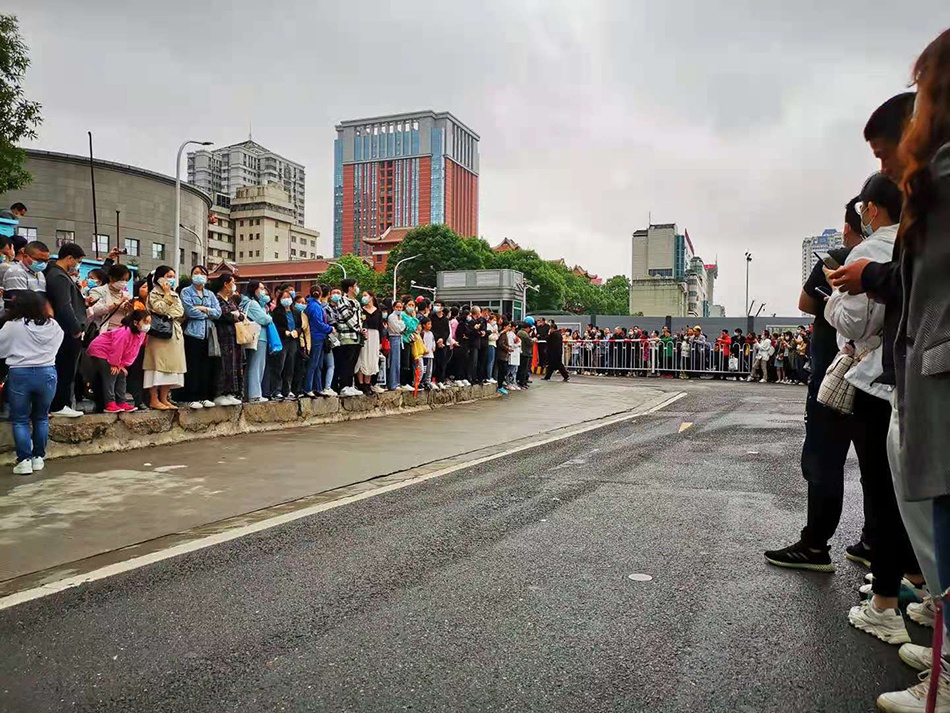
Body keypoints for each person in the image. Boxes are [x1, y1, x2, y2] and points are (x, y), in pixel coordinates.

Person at [874, 32, 950, 712]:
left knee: (940, 515)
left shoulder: (942, 182)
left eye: (923, 93)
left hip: (939, 374)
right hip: (925, 371)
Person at [0, 291, 63, 475]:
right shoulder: (53, 325)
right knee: (41, 417)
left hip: (20, 373)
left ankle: (24, 460)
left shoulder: (13, 325)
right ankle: (38, 458)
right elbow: (58, 345)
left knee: (20, 419)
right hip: (47, 372)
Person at [43, 243, 87, 419]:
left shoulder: (58, 274)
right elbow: (64, 306)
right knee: (65, 369)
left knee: (67, 369)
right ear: (69, 258)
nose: (77, 265)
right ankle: (59, 404)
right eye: (78, 261)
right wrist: (75, 328)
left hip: (66, 330)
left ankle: (61, 404)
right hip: (66, 331)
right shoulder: (58, 276)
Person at [86, 309, 149, 413]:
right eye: (145, 322)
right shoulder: (124, 332)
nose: (148, 325)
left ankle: (121, 401)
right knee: (110, 373)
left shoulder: (141, 334)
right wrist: (114, 364)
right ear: (135, 322)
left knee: (121, 374)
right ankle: (109, 402)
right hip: (99, 351)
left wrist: (122, 365)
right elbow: (117, 348)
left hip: (112, 355)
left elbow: (133, 352)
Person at [177, 266, 221, 409]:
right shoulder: (186, 291)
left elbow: (218, 312)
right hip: (192, 333)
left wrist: (204, 309)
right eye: (196, 273)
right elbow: (189, 311)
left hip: (208, 334)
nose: (199, 276)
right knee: (192, 366)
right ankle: (189, 397)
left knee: (205, 366)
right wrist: (207, 314)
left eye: (202, 273)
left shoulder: (210, 294)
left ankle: (203, 396)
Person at [144, 266, 186, 411]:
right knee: (157, 366)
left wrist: (169, 308)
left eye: (173, 276)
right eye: (168, 276)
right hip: (159, 334)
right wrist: (167, 296)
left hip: (174, 333)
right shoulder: (153, 294)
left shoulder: (175, 294)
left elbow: (180, 311)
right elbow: (159, 308)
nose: (171, 279)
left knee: (171, 367)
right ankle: (154, 399)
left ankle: (164, 397)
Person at [209, 275, 245, 407]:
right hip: (221, 335)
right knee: (223, 364)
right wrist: (234, 315)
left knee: (234, 364)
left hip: (233, 336)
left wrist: (235, 315)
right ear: (225, 284)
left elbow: (240, 315)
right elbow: (225, 316)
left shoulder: (230, 300)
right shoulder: (217, 298)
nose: (234, 284)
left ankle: (231, 392)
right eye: (232, 282)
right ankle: (220, 393)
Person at [240, 281, 272, 403]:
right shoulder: (252, 303)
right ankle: (255, 394)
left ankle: (250, 393)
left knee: (252, 365)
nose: (263, 291)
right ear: (255, 289)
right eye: (261, 288)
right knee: (257, 365)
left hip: (253, 336)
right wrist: (269, 317)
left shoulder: (248, 302)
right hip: (259, 336)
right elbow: (263, 319)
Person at [332, 278, 363, 397]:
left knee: (353, 362)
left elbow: (359, 318)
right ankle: (344, 386)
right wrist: (359, 328)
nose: (357, 288)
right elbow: (347, 317)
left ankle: (350, 385)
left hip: (357, 337)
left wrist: (361, 329)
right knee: (346, 362)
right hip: (346, 336)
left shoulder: (356, 302)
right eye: (355, 286)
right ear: (350, 288)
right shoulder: (342, 301)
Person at [267, 287, 300, 401]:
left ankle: (288, 390)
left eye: (288, 297)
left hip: (293, 341)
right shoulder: (277, 312)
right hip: (282, 341)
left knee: (290, 366)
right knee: (279, 365)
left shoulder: (296, 312)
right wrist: (284, 332)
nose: (287, 299)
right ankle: (276, 390)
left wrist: (297, 331)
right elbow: (275, 326)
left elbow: (300, 326)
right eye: (284, 297)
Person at [303, 286, 333, 397]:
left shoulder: (313, 305)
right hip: (316, 337)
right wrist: (329, 329)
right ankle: (308, 388)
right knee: (313, 363)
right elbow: (318, 323)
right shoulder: (315, 306)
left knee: (318, 364)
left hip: (319, 337)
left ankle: (317, 387)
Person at [88, 263, 133, 334]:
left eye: (126, 280)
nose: (123, 282)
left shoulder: (126, 295)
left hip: (122, 333)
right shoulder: (98, 291)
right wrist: (117, 303)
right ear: (111, 277)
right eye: (121, 279)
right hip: (105, 331)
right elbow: (93, 311)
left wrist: (130, 309)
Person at [2, 240, 49, 307]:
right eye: (39, 260)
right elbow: (20, 304)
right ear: (25, 256)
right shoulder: (16, 272)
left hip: (36, 316)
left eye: (46, 261)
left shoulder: (40, 274)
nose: (43, 264)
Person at [356, 291, 383, 394]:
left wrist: (380, 341)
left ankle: (368, 383)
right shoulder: (360, 310)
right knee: (362, 357)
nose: (364, 297)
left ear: (371, 297)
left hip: (375, 336)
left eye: (365, 295)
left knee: (372, 358)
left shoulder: (378, 311)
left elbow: (380, 327)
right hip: (364, 335)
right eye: (362, 296)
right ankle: (360, 383)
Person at [420, 317, 435, 390]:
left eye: (430, 324)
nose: (430, 325)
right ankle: (422, 381)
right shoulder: (422, 333)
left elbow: (433, 341)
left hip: (430, 354)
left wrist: (433, 347)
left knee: (430, 369)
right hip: (424, 355)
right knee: (424, 369)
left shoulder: (431, 333)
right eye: (428, 324)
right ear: (424, 325)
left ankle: (428, 381)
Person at [517, 322, 533, 388]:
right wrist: (533, 340)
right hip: (525, 352)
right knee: (524, 369)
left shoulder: (519, 332)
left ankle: (521, 381)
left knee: (521, 368)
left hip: (521, 352)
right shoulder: (525, 334)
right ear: (528, 328)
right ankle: (522, 382)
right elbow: (529, 343)